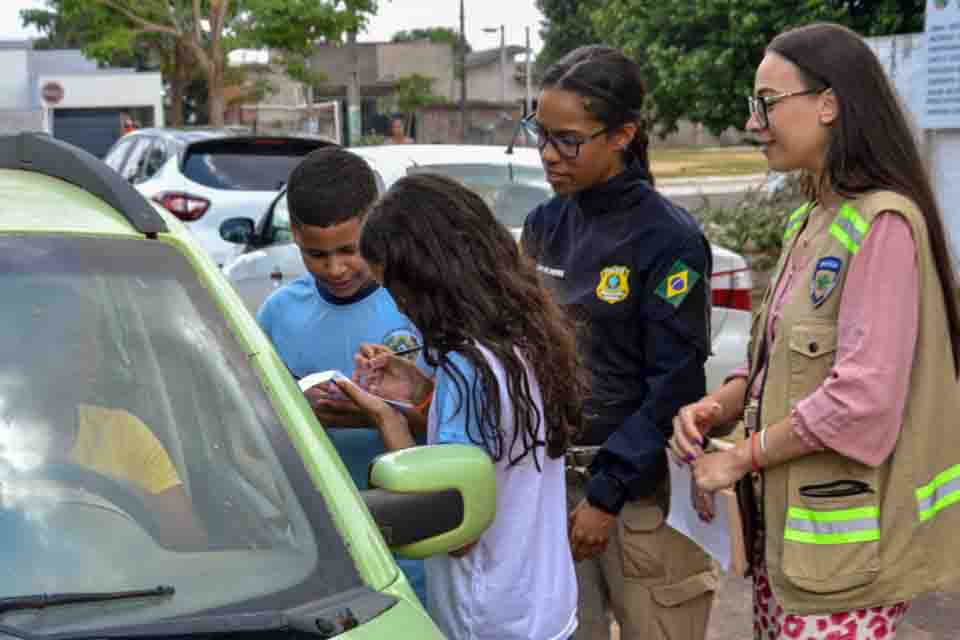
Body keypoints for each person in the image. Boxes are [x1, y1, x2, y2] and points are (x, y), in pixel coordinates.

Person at [670, 22, 960, 639]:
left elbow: (863, 400)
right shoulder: (811, 220)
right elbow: (785, 359)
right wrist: (722, 404)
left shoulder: (883, 224)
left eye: (767, 103)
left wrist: (742, 457)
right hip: (792, 554)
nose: (753, 122)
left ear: (828, 104)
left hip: (845, 567)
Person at [520, 45, 718, 640]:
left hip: (638, 500)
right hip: (554, 491)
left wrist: (606, 495)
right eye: (540, 134)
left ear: (623, 135)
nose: (548, 154)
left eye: (568, 140)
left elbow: (675, 384)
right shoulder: (545, 225)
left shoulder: (669, 239)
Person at [334, 173, 582, 640]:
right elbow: (499, 451)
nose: (400, 309)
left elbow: (457, 529)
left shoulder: (467, 369)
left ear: (429, 281)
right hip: (544, 602)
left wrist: (387, 420)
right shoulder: (525, 335)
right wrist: (424, 392)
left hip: (488, 619)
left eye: (398, 292)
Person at [255, 146, 427, 603]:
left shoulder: (416, 304)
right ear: (294, 234)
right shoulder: (278, 314)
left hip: (414, 543)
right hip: (321, 541)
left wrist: (384, 415)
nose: (335, 269)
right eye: (316, 254)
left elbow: (455, 425)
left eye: (350, 250)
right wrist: (298, 411)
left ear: (377, 222)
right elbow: (253, 421)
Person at [0, 282, 208, 551]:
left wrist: (133, 503)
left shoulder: (124, 433)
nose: (93, 355)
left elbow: (190, 546)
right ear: (27, 351)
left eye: (96, 340)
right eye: (73, 340)